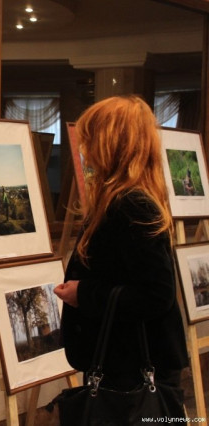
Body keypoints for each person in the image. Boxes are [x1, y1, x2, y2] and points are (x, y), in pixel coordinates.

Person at [54, 95, 188, 394]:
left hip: (134, 372)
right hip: (124, 361)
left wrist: (83, 293)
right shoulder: (122, 199)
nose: (83, 149)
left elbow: (156, 294)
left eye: (89, 139)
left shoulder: (131, 204)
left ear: (111, 144)